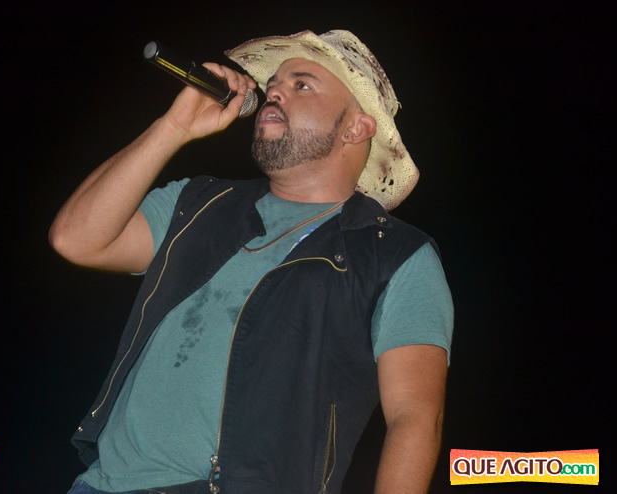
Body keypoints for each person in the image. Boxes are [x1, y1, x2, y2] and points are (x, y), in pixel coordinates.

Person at [50, 30, 453, 494]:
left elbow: (415, 416)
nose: (274, 93)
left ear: (355, 128)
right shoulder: (197, 201)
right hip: (104, 485)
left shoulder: (395, 253)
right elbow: (76, 240)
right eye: (273, 84)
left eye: (302, 84)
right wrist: (174, 127)